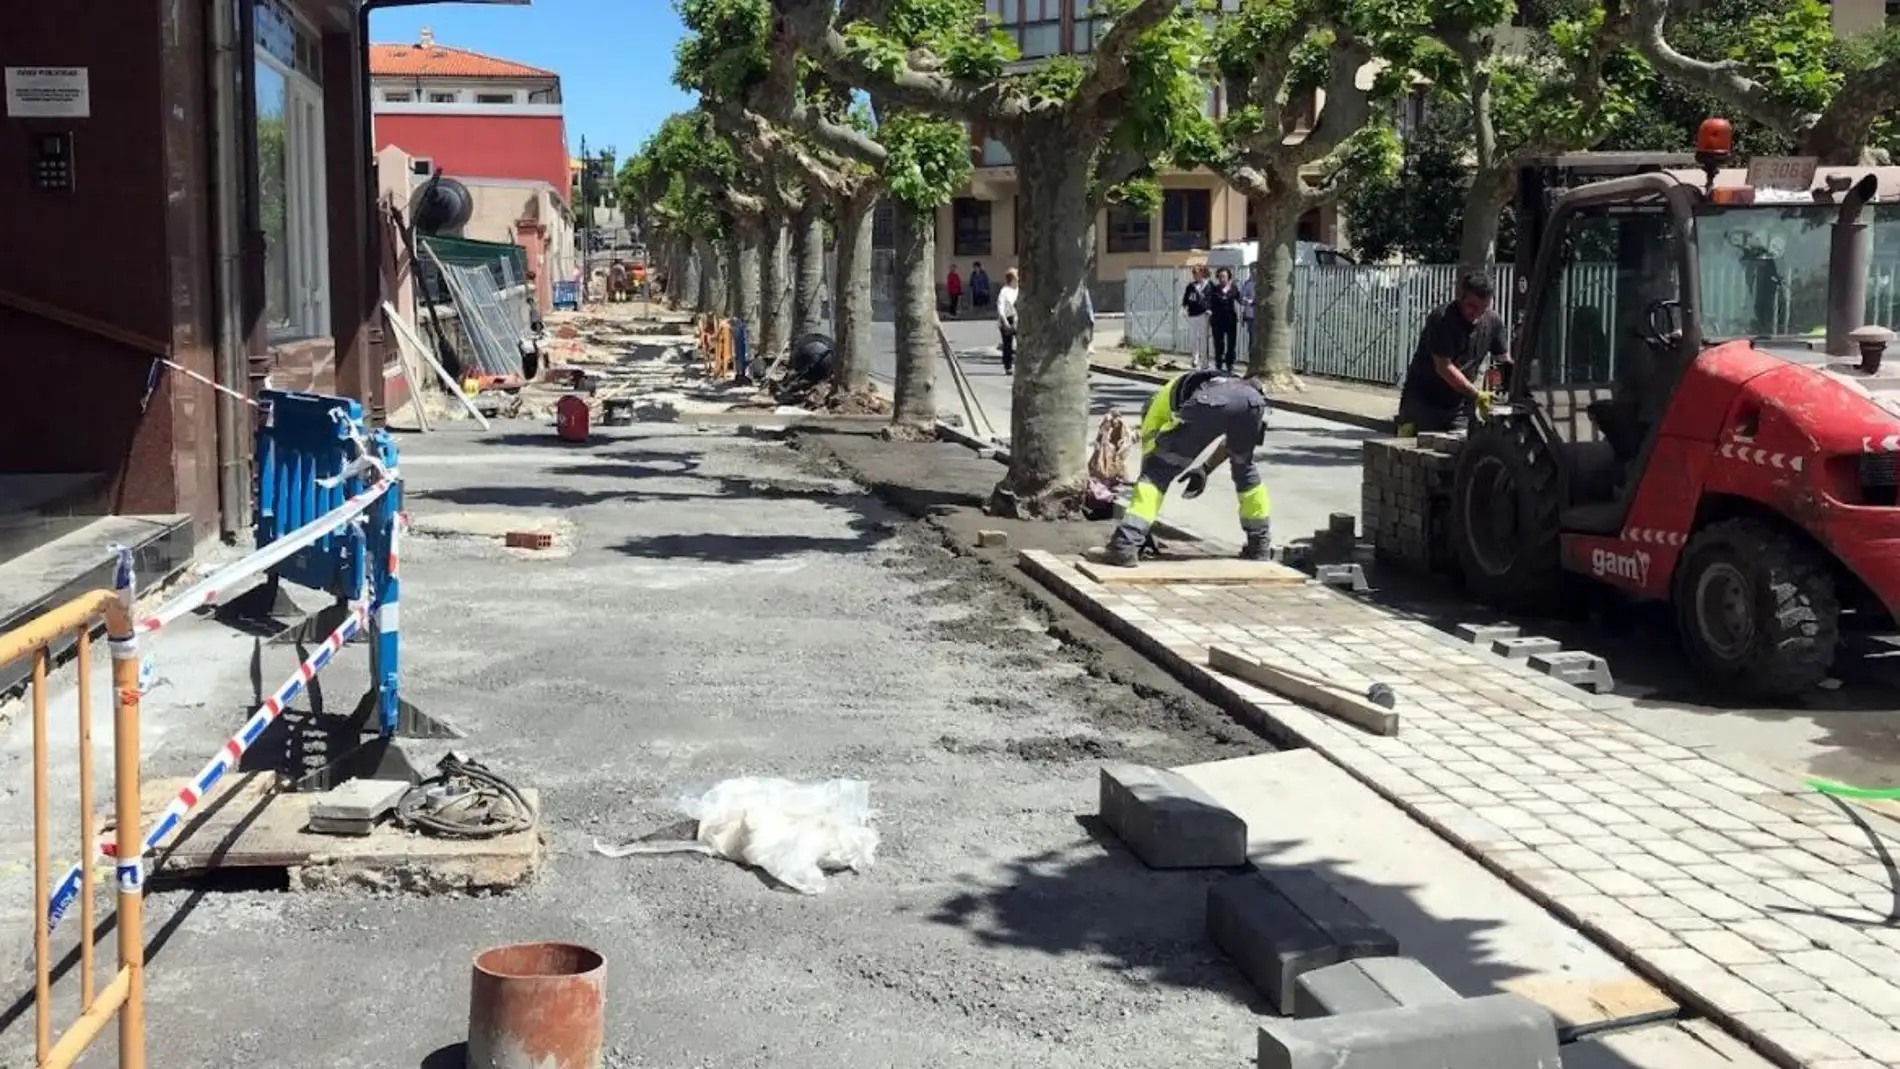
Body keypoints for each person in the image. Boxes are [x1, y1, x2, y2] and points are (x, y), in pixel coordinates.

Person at [1102, 368, 1272, 566]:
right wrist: (1205, 469)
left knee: (1155, 475)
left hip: (1209, 400)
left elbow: (1151, 463)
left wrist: (1149, 481)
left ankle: (1125, 544)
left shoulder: (1154, 410)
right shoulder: (1224, 382)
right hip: (1253, 403)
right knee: (1244, 468)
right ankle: (1259, 545)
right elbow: (1232, 446)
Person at [1395, 271, 1509, 436]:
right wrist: (1477, 394)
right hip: (1422, 403)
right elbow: (1444, 367)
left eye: (1483, 308)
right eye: (1471, 306)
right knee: (1408, 452)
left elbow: (1503, 361)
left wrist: (1502, 391)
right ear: (1461, 298)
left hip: (1459, 406)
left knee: (1460, 452)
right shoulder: (1442, 319)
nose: (1476, 313)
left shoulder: (1493, 322)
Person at [1207, 267, 1241, 374]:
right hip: (1217, 320)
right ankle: (1219, 363)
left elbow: (1239, 298)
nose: (1222, 279)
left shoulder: (1233, 288)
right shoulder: (1215, 289)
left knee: (1231, 343)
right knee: (1218, 343)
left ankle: (1230, 364)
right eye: (1220, 276)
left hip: (1230, 319)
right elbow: (1210, 301)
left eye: (1224, 276)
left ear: (1228, 278)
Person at [1181, 265, 1212, 370]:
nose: (1195, 275)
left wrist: (1210, 309)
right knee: (1193, 338)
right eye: (1194, 273)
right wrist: (1184, 309)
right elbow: (1185, 299)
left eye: (1197, 273)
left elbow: (1212, 299)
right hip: (1192, 314)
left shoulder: (1209, 285)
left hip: (1204, 315)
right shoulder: (1191, 286)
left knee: (1204, 339)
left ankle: (1204, 362)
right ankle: (1194, 359)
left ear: (1202, 273)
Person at [996, 267, 1020, 374]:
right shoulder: (1004, 291)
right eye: (1016, 276)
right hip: (1007, 319)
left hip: (1017, 318)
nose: (1018, 279)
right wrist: (1005, 322)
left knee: (1021, 342)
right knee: (1007, 344)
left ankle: (1021, 365)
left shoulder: (1019, 290)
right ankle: (1008, 366)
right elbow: (1000, 307)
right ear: (1012, 279)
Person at [1238, 271, 1256, 366]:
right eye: (1252, 270)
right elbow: (1241, 298)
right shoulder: (1248, 283)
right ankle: (1252, 361)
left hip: (1264, 316)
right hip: (1252, 315)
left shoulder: (1265, 282)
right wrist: (1248, 301)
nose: (1254, 272)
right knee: (1253, 339)